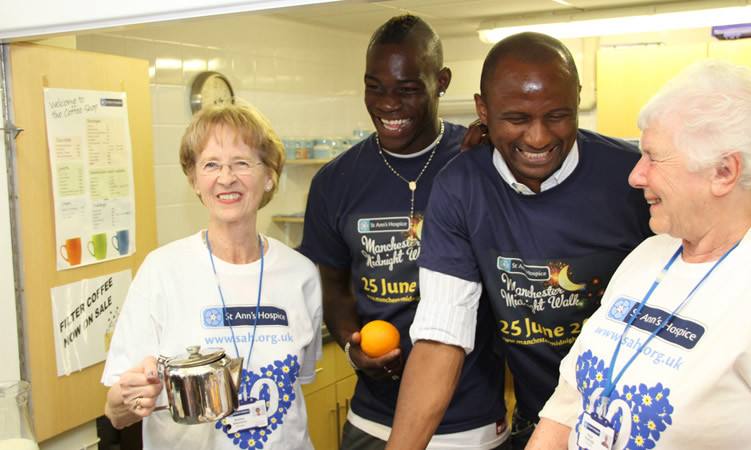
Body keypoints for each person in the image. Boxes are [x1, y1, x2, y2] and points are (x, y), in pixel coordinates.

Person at [387, 32, 652, 450]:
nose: (538, 138)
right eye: (516, 119)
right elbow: (442, 336)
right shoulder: (460, 187)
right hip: (536, 420)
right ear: (483, 111)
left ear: (579, 98)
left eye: (557, 115)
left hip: (637, 424)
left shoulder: (635, 179)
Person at [528, 59, 751, 449]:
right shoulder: (649, 254)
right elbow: (568, 404)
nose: (636, 176)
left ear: (724, 171)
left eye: (654, 157)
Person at [299, 14, 509, 449]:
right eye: (374, 87)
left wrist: (489, 176)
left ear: (441, 81)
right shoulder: (335, 182)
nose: (388, 104)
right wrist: (352, 344)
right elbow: (333, 285)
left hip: (469, 424)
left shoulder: (481, 160)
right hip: (372, 422)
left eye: (407, 89)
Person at [101, 103, 323, 449]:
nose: (226, 177)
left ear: (269, 177)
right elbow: (116, 413)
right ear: (194, 180)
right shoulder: (161, 272)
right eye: (211, 164)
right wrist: (133, 396)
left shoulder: (301, 274)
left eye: (242, 163)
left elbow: (298, 384)